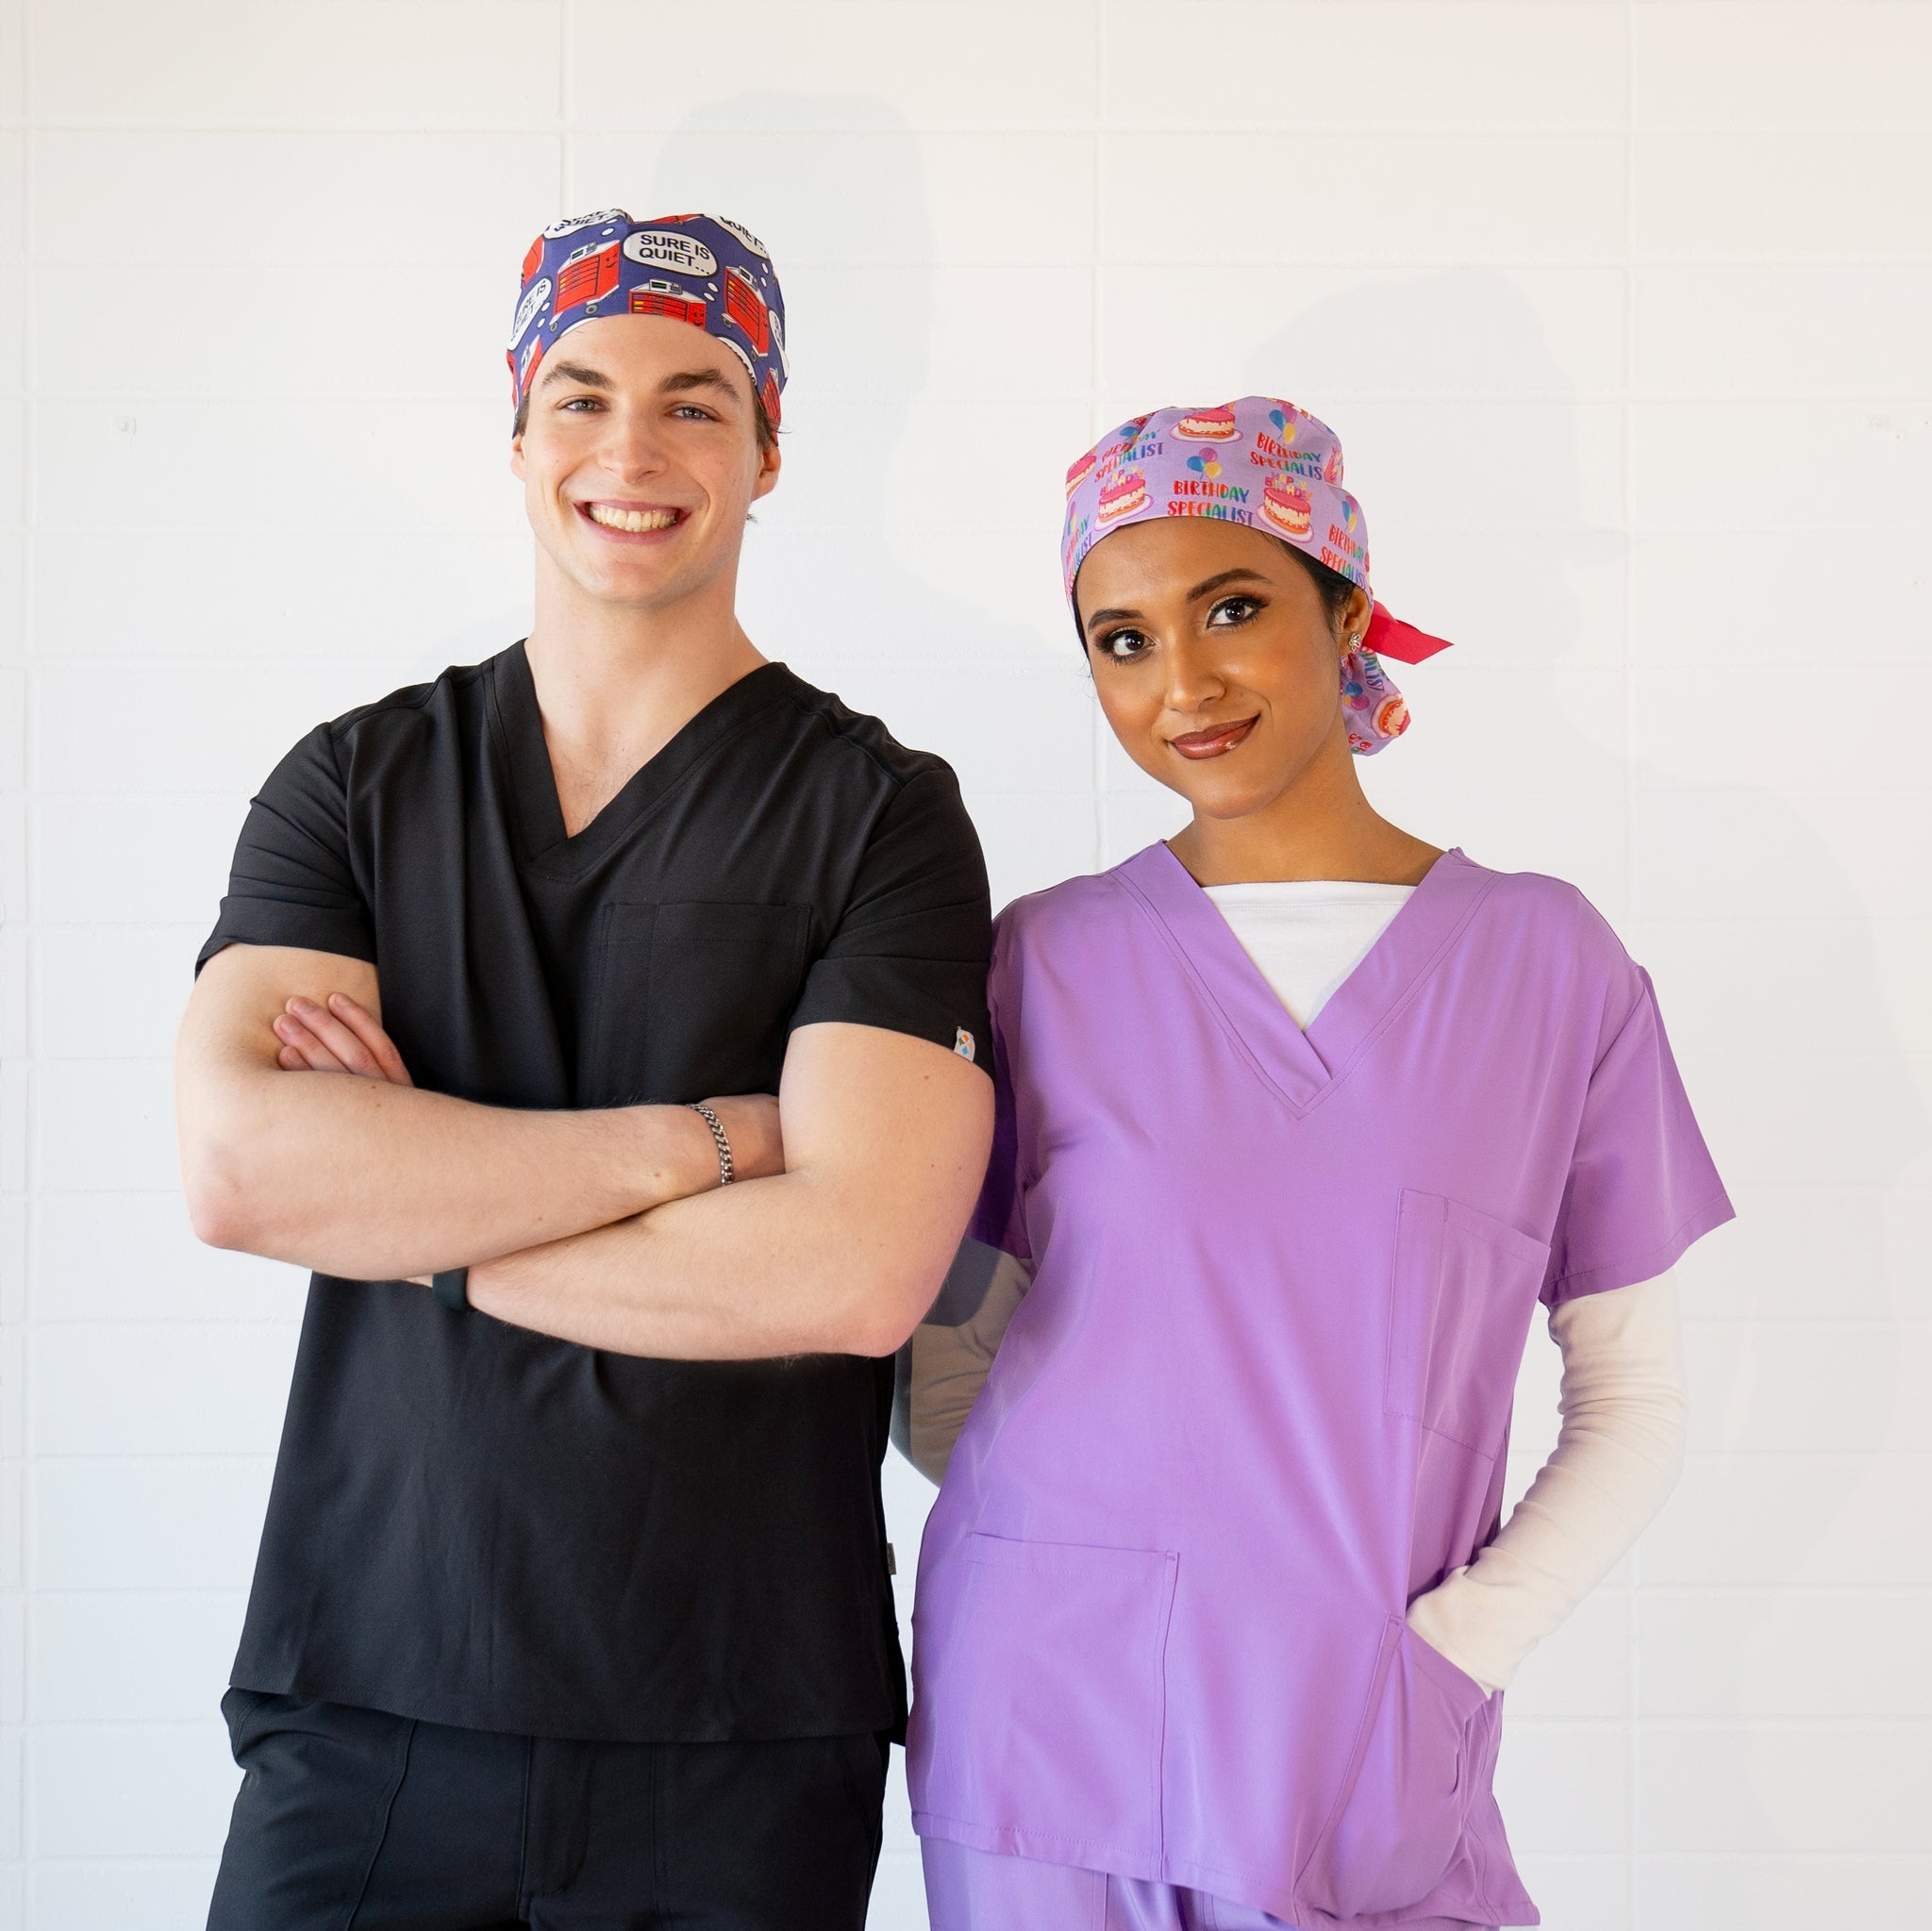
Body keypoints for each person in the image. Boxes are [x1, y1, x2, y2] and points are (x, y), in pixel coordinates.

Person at [174, 208, 994, 1931]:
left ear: (771, 449)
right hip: (370, 1690)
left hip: (742, 1724)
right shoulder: (355, 783)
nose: (635, 449)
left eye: (699, 401)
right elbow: (246, 1176)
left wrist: (406, 1202)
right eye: (584, 393)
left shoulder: (879, 813)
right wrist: (711, 1142)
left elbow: (855, 1273)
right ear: (519, 430)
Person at [900, 396, 1732, 1931]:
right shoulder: (1041, 961)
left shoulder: (1549, 965)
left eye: (1232, 609)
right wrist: (1111, 1548)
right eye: (1121, 639)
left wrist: (1456, 1646)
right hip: (1045, 1712)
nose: (1184, 684)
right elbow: (947, 1368)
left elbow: (1637, 1401)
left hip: (1362, 1731)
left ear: (1343, 609)